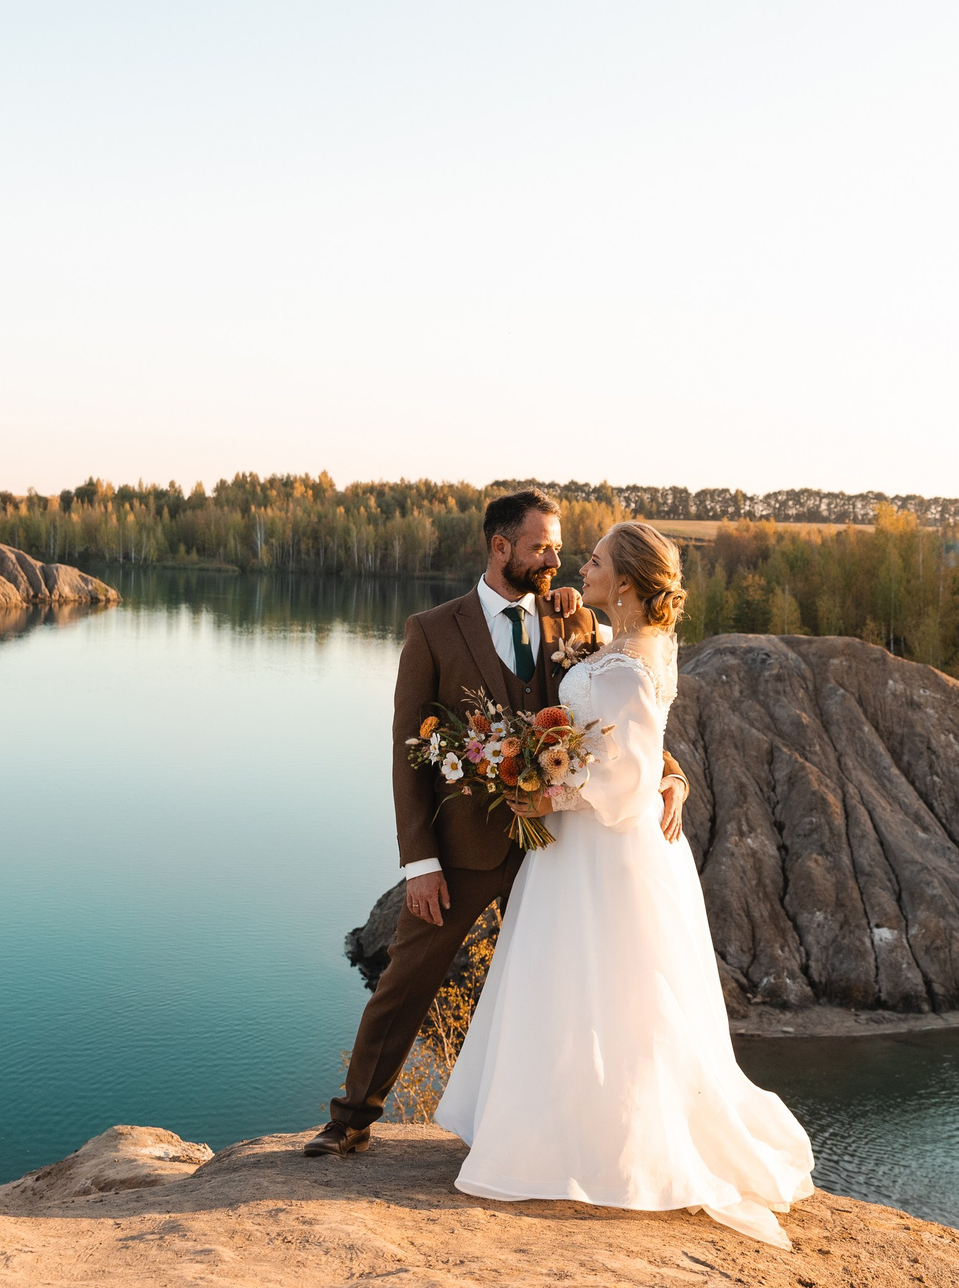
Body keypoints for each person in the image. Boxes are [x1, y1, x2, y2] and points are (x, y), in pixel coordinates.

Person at [435, 522, 816, 1248]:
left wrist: (549, 795)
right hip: (583, 848)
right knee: (573, 984)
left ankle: (595, 1146)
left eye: (598, 560)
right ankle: (560, 1129)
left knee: (611, 987)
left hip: (605, 847)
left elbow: (629, 772)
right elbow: (628, 743)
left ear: (631, 583)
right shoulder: (620, 643)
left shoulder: (636, 660)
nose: (583, 565)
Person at [307, 490, 690, 1159]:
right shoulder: (433, 630)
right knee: (405, 979)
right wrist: (419, 863)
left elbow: (622, 716)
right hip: (462, 849)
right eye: (542, 545)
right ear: (501, 546)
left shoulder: (572, 623)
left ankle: (555, 1129)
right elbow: (407, 752)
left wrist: (671, 773)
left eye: (562, 546)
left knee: (563, 981)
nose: (556, 558)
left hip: (561, 847)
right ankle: (351, 1118)